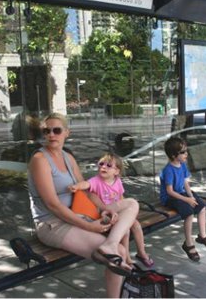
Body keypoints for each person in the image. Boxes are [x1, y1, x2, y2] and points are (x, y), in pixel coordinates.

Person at [28, 113, 139, 298]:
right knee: (118, 254)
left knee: (131, 204)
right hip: (53, 224)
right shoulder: (40, 160)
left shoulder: (67, 158)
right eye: (46, 131)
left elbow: (86, 192)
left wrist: (103, 209)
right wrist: (90, 226)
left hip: (76, 216)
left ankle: (109, 244)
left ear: (66, 133)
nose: (51, 135)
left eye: (56, 130)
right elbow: (52, 205)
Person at [68, 152, 154, 268]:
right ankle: (127, 258)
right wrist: (77, 186)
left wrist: (127, 213)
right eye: (101, 164)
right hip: (105, 212)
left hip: (117, 210)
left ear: (116, 172)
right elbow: (86, 184)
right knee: (126, 231)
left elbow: (121, 197)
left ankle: (142, 252)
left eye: (108, 165)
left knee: (136, 225)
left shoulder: (117, 181)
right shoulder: (96, 180)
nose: (103, 167)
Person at [160, 136, 206, 262]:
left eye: (186, 151)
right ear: (174, 155)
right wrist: (187, 200)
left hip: (182, 193)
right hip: (170, 197)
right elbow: (170, 191)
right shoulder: (168, 170)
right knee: (189, 213)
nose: (186, 154)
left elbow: (185, 184)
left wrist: (191, 197)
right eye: (183, 152)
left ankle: (202, 236)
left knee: (201, 206)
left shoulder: (182, 165)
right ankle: (188, 244)